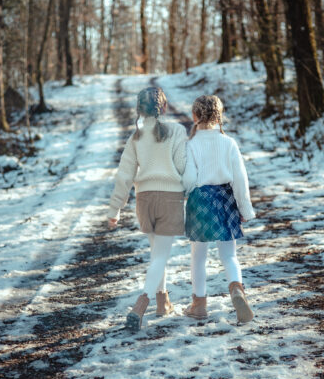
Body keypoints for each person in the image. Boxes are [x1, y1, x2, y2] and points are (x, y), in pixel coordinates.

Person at [108, 86, 188, 332]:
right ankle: (141, 304)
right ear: (163, 108)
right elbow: (184, 166)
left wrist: (115, 209)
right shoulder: (176, 131)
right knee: (160, 256)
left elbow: (124, 175)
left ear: (138, 110)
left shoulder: (137, 136)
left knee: (156, 253)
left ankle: (163, 301)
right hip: (170, 199)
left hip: (144, 200)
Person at [181, 95, 255, 324]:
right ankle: (237, 291)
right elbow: (240, 180)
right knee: (229, 255)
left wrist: (186, 194)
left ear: (194, 117)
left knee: (198, 257)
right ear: (219, 116)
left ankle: (199, 304)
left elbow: (188, 179)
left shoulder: (190, 145)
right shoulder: (229, 143)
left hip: (200, 201)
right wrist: (245, 208)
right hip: (225, 199)